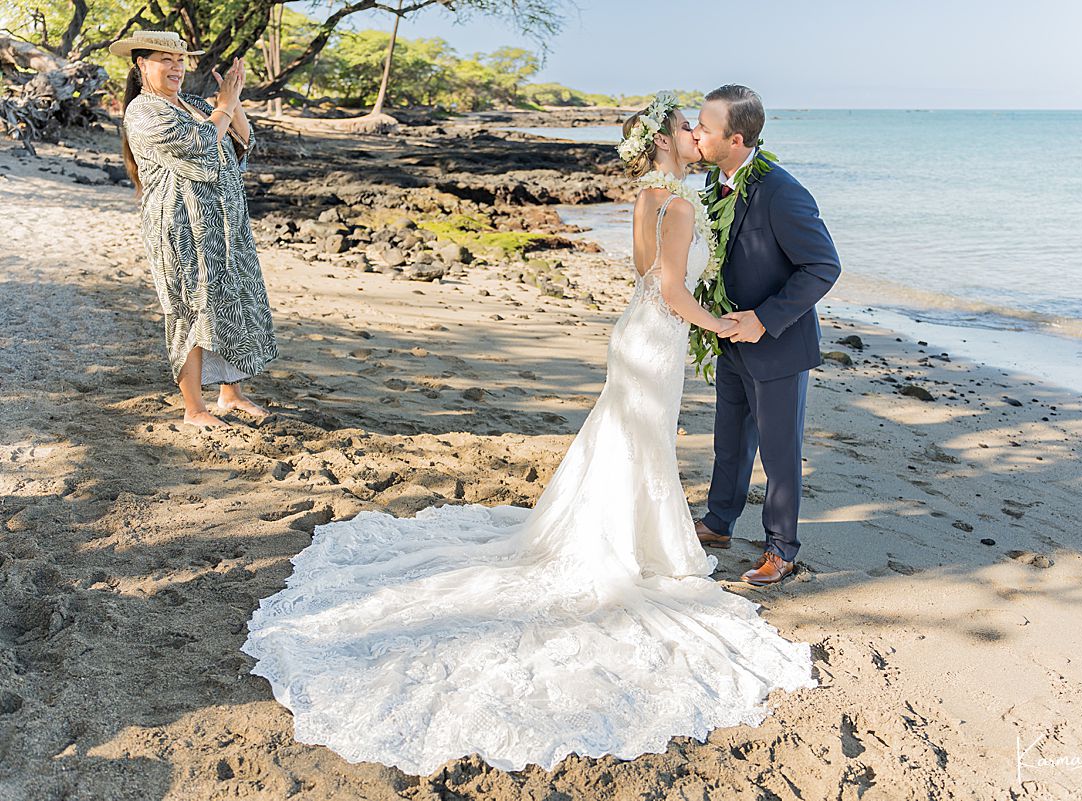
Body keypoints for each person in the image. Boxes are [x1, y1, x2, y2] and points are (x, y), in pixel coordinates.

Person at [242, 91, 816, 774]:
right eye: (688, 127)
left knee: (638, 440)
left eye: (703, 127)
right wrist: (719, 322)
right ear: (668, 142)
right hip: (664, 334)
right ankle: (658, 536)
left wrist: (723, 310)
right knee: (644, 441)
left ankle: (706, 533)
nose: (696, 133)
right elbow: (667, 286)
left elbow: (648, 273)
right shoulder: (685, 202)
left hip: (647, 335)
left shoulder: (657, 194)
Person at [693, 85, 842, 586]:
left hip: (777, 346)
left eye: (705, 128)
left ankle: (781, 550)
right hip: (729, 341)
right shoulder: (713, 185)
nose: (696, 134)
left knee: (779, 455)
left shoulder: (783, 192)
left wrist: (764, 318)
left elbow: (823, 266)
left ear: (735, 139)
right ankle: (718, 522)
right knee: (729, 442)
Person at [112, 30, 277, 429]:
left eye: (180, 59)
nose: (176, 67)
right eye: (164, 59)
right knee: (189, 307)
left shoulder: (194, 103)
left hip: (223, 223)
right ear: (141, 64)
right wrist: (223, 106)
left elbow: (240, 142)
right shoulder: (143, 111)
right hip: (180, 226)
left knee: (230, 302)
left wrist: (232, 102)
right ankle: (194, 409)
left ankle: (231, 393)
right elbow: (201, 142)